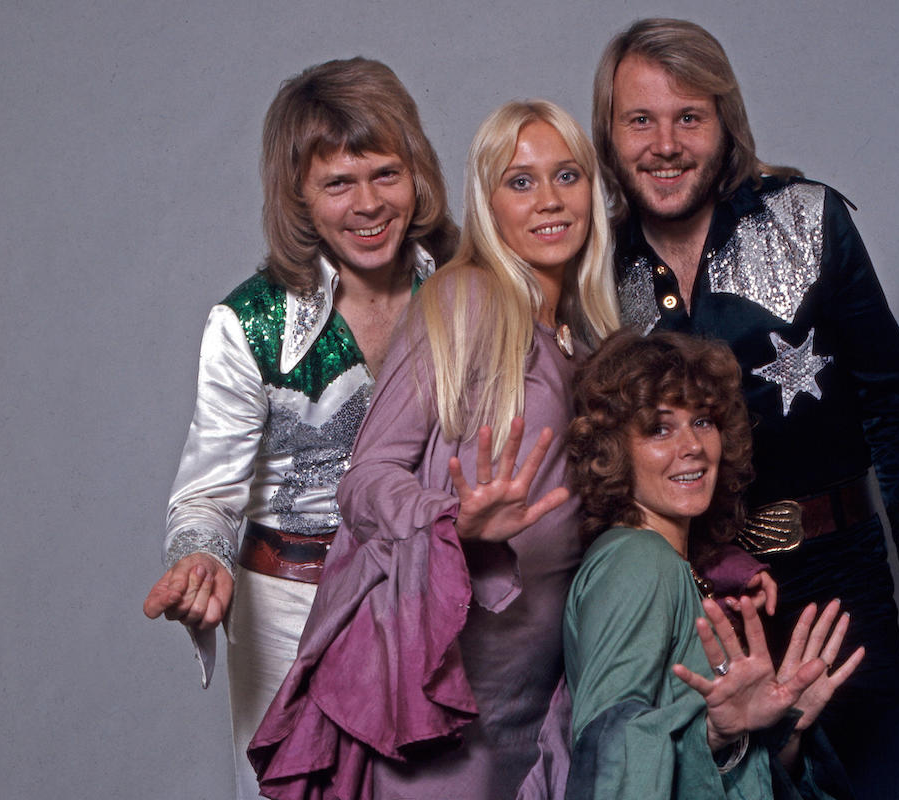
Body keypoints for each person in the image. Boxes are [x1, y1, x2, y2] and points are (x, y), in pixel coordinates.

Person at [593, 18, 899, 799]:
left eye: (689, 118)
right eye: (641, 119)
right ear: (609, 137)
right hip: (689, 596)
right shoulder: (592, 271)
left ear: (724, 123)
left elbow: (898, 403)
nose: (665, 143)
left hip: (839, 576)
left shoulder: (808, 221)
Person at [247, 100, 620, 799]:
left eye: (566, 175)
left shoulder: (587, 339)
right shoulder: (466, 300)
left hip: (541, 688)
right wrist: (451, 521)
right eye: (520, 181)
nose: (549, 200)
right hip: (449, 686)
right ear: (487, 200)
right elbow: (366, 479)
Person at [141, 58, 457, 800]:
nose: (369, 203)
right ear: (300, 199)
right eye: (338, 183)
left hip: (428, 605)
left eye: (385, 173)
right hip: (288, 612)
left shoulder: (464, 290)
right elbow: (207, 498)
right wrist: (203, 560)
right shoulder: (247, 323)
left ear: (417, 175)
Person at [564, 330, 862, 800]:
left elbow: (718, 775)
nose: (694, 447)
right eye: (660, 429)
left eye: (702, 421)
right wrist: (715, 734)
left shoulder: (673, 563)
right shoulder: (637, 562)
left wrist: (783, 727)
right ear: (613, 450)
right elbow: (608, 754)